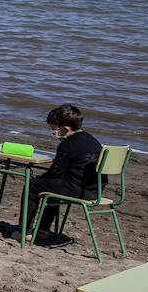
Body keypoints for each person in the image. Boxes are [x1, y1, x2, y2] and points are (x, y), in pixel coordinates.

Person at [9, 104, 103, 244]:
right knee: (50, 187)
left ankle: (25, 231)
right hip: (95, 189)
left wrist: (40, 178)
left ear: (65, 129)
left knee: (32, 186)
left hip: (77, 189)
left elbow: (56, 171)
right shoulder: (92, 140)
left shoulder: (68, 144)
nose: (54, 133)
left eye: (54, 129)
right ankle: (42, 230)